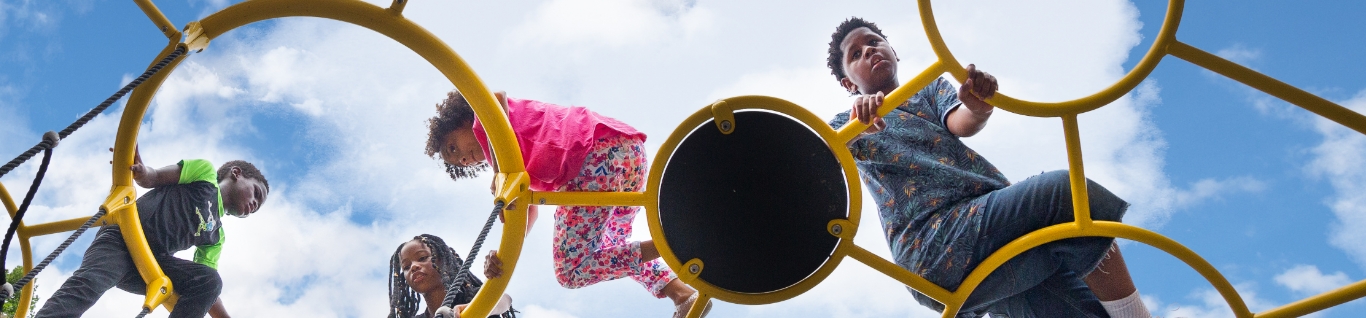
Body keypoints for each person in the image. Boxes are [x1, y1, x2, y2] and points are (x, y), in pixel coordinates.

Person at [825, 17, 1152, 318]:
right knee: (1066, 195)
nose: (868, 50)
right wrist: (857, 129)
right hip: (931, 245)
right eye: (855, 54)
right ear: (848, 84)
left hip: (990, 230)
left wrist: (977, 108)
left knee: (1068, 294)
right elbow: (829, 156)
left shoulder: (927, 89)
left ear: (893, 51)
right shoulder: (845, 124)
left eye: (874, 42)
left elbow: (960, 123)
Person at [424, 90, 708, 318]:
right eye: (458, 163)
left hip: (590, 160)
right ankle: (681, 294)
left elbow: (495, 98)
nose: (463, 159)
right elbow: (526, 211)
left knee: (570, 271)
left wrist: (499, 171)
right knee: (612, 250)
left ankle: (670, 243)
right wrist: (503, 252)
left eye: (453, 148)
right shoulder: (511, 159)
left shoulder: (487, 121)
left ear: (462, 119)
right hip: (626, 151)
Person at [37, 151, 269, 318]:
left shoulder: (216, 235)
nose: (255, 204)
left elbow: (206, 286)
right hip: (122, 238)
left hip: (150, 263)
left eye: (258, 205)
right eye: (256, 193)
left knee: (209, 279)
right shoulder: (205, 176)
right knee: (89, 284)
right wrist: (141, 171)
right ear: (236, 173)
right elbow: (155, 177)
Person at [389, 234, 516, 318]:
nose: (413, 267)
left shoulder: (473, 298)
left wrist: (475, 309)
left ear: (445, 262)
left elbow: (504, 300)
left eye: (422, 258)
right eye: (406, 267)